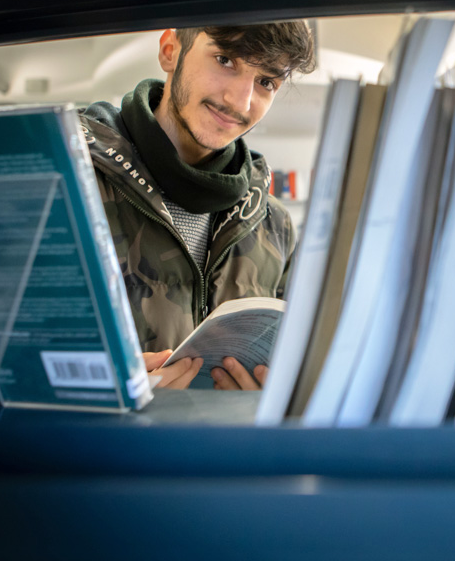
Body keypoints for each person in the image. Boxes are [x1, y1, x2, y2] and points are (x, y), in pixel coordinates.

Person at [79, 22, 316, 391]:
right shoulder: (70, 181)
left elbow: (295, 358)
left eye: (266, 82)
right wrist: (95, 385)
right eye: (225, 59)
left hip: (223, 447)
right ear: (170, 51)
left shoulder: (275, 224)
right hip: (96, 447)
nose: (241, 102)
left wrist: (268, 398)